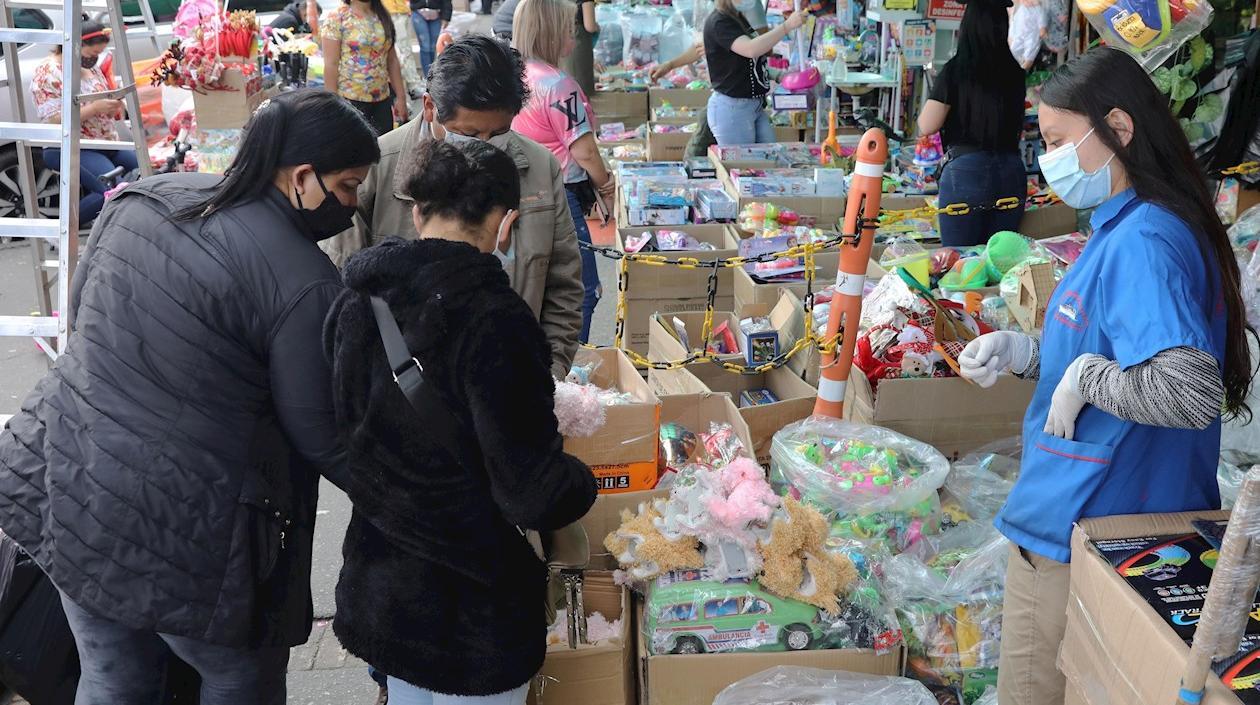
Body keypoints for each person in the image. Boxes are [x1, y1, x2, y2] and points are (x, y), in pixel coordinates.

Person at [0, 89, 381, 704]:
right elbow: (320, 432)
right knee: (237, 677)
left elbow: (82, 321)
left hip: (72, 484)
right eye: (347, 186)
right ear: (302, 177)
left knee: (113, 675)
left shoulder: (150, 197)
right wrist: (417, 493)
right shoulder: (303, 282)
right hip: (190, 532)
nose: (353, 204)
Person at [957, 48, 1254, 705]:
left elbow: (1187, 387)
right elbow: (1112, 347)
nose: (1048, 160)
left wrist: (1087, 376)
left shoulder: (1145, 240)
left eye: (1059, 141)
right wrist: (1023, 353)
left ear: (1118, 128)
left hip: (1089, 524)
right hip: (1103, 517)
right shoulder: (1124, 225)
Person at [326, 138, 597, 705]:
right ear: (507, 222)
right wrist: (582, 479)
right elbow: (531, 493)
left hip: (386, 589)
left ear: (417, 211)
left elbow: (346, 433)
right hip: (471, 611)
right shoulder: (497, 322)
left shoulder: (357, 304)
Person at [321, 35, 584, 379]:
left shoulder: (540, 167)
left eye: (500, 133)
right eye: (470, 134)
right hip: (404, 389)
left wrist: (549, 371)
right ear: (430, 108)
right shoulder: (376, 167)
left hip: (512, 383)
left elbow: (563, 285)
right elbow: (341, 287)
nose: (486, 147)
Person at [512, 0, 614, 344]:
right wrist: (608, 186)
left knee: (538, 288)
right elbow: (584, 151)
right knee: (582, 291)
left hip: (523, 192)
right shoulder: (557, 84)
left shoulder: (518, 76)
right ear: (552, 29)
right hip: (560, 197)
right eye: (567, 25)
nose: (573, 31)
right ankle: (570, 370)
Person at [917, 0, 1027, 247]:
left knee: (960, 264)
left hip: (965, 173)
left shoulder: (957, 69)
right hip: (1011, 171)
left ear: (967, 27)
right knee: (1001, 261)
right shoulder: (1015, 73)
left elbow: (927, 125)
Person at [30, 21, 137, 228]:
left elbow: (101, 96)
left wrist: (114, 104)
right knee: (113, 187)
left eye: (98, 54)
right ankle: (62, 230)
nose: (93, 59)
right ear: (75, 46)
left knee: (143, 173)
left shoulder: (89, 67)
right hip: (74, 145)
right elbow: (54, 119)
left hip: (106, 141)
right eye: (91, 54)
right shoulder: (48, 73)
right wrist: (95, 109)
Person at [704, 0, 807, 145]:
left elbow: (747, 64)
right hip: (733, 108)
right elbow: (751, 49)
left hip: (754, 105)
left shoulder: (737, 17)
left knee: (769, 158)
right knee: (747, 164)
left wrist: (780, 75)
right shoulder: (720, 22)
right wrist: (786, 26)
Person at [322, 0, 409, 135]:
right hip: (350, 101)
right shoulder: (337, 18)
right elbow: (330, 65)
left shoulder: (382, 15)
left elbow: (391, 60)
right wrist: (332, 106)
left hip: (382, 99)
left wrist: (401, 97)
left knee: (385, 149)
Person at [383, 0, 425, 98]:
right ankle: (410, 88)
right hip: (389, 12)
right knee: (400, 53)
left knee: (406, 51)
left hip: (402, 10)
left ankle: (413, 85)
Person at [561, 0, 599, 95]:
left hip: (560, 43)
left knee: (566, 90)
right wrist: (597, 27)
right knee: (581, 91)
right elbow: (590, 26)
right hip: (578, 46)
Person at [410, 0, 452, 74]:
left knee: (432, 47)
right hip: (418, 12)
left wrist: (446, 17)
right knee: (425, 46)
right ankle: (427, 76)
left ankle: (431, 73)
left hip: (436, 12)